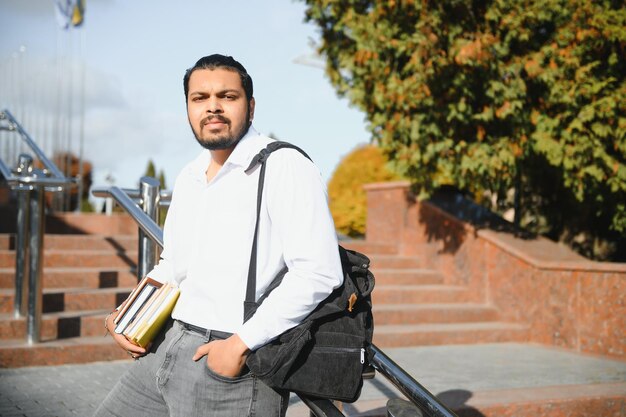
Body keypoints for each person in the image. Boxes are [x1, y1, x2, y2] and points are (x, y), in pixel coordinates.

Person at [93, 54, 343, 417]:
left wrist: (239, 345)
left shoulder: (284, 166)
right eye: (200, 98)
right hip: (167, 345)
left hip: (231, 365)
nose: (213, 107)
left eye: (227, 96)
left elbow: (319, 272)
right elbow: (173, 264)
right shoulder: (190, 176)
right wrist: (129, 315)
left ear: (251, 107)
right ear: (188, 109)